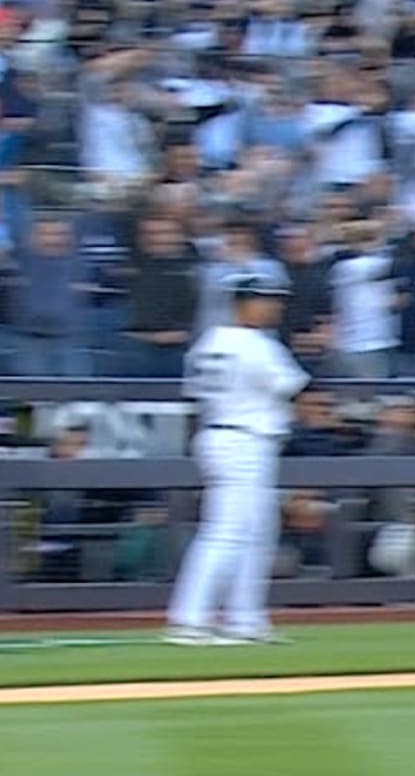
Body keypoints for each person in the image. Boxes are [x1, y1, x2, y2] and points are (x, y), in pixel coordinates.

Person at [164, 272, 309, 646]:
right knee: (228, 531)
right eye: (264, 298)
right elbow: (297, 390)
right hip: (244, 438)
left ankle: (245, 620)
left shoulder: (209, 341)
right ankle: (190, 619)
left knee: (257, 532)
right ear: (242, 302)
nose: (273, 305)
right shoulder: (256, 344)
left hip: (221, 432)